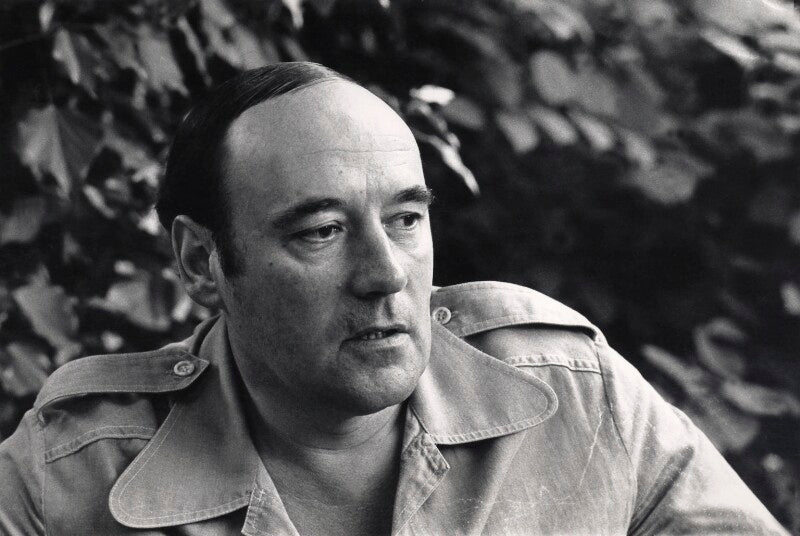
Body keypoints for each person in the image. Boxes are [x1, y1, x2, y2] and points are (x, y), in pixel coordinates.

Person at [0, 62, 788, 536]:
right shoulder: (70, 474)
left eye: (406, 219)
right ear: (201, 261)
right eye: (321, 231)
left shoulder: (576, 396)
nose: (385, 274)